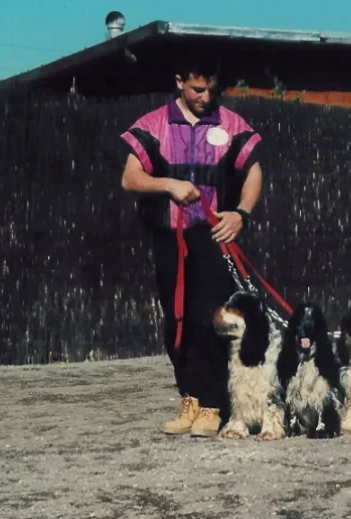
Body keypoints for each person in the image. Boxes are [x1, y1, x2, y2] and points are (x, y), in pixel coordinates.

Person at [119, 53, 265, 437]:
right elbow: (130, 179)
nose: (205, 96)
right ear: (180, 81)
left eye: (211, 89)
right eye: (198, 89)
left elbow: (253, 171)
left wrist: (241, 214)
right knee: (176, 320)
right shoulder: (154, 124)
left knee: (209, 320)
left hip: (212, 237)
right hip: (170, 238)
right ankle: (190, 400)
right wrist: (167, 184)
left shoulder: (231, 124)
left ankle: (213, 405)